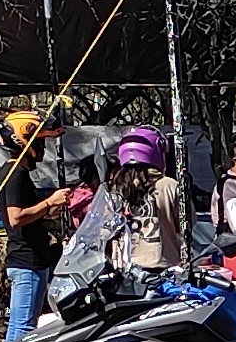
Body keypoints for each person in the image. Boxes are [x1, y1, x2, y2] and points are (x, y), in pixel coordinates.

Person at [50, 125, 188, 299]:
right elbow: (186, 226)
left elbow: (102, 231)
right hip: (162, 273)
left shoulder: (114, 190)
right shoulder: (170, 186)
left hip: (125, 276)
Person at [0, 108, 77, 342]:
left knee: (22, 325)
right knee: (22, 328)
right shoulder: (14, 173)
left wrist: (49, 209)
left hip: (32, 258)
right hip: (25, 260)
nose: (41, 149)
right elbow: (16, 217)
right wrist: (48, 202)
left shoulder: (16, 173)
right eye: (39, 142)